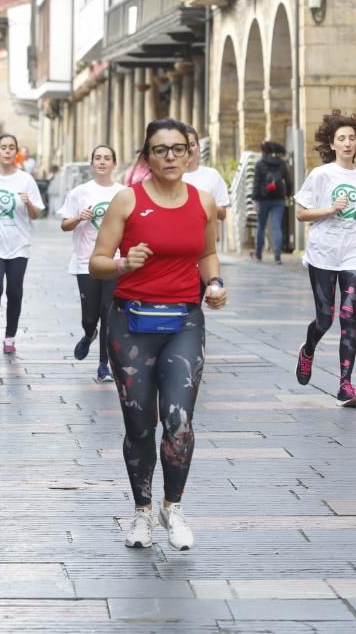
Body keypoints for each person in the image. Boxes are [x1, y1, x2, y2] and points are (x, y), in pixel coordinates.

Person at [89, 118, 228, 552]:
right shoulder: (126, 201)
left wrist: (216, 284)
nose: (170, 156)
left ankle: (175, 506)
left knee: (179, 420)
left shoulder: (203, 201)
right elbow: (97, 261)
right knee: (138, 424)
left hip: (184, 321)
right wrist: (123, 264)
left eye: (178, 148)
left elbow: (207, 253)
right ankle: (142, 512)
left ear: (190, 153)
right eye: (160, 149)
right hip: (130, 323)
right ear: (147, 157)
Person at [293, 110, 356, 408]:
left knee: (348, 315)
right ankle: (308, 349)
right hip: (324, 251)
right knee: (325, 318)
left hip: (355, 251)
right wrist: (330, 209)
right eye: (341, 138)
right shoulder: (321, 175)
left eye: (352, 138)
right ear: (332, 144)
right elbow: (301, 213)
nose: (347, 143)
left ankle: (345, 385)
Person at [57, 144, 125, 382]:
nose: (103, 162)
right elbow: (64, 225)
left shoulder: (124, 193)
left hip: (114, 261)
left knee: (109, 312)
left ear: (114, 163)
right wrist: (79, 217)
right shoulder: (79, 192)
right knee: (90, 317)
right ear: (92, 163)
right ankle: (88, 335)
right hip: (85, 261)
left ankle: (103, 365)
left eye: (107, 158)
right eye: (98, 158)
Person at [0, 134, 45, 353]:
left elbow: (35, 215)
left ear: (16, 152)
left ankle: (10, 337)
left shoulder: (25, 179)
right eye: (3, 147)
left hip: (18, 243)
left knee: (14, 291)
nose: (7, 151)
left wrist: (29, 203)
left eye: (11, 147)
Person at [252, 141, 293, 263]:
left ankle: (258, 254)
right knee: (276, 227)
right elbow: (288, 181)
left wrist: (255, 199)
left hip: (263, 199)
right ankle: (277, 256)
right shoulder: (281, 163)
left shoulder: (260, 164)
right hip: (278, 199)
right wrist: (287, 195)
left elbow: (256, 183)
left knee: (261, 226)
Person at [183, 127, 231, 221]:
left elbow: (222, 214)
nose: (188, 149)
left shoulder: (212, 175)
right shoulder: (170, 178)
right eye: (184, 146)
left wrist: (200, 205)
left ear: (198, 147)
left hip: (206, 234)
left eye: (192, 145)